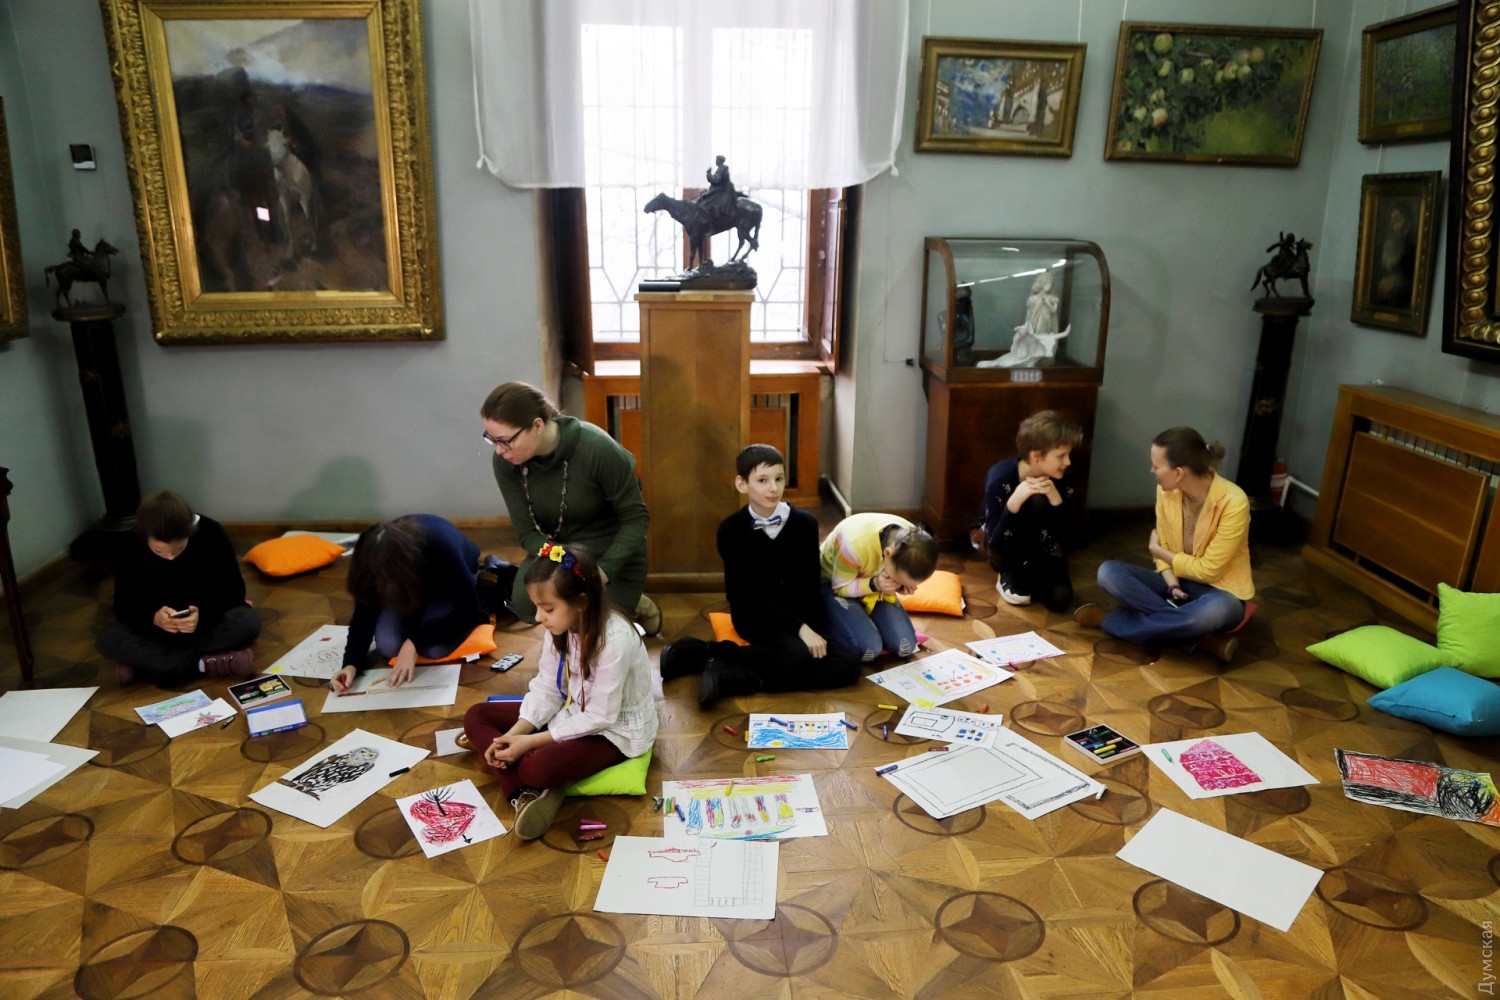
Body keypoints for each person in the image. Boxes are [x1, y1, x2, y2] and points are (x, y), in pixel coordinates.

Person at [462, 543, 657, 840]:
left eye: (548, 608)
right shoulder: (560, 626)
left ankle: (524, 783)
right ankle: (527, 793)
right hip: (572, 711)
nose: (539, 617)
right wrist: (513, 736)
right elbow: (548, 689)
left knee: (535, 766)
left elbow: (600, 717)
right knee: (477, 715)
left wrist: (528, 742)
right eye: (537, 607)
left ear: (581, 601)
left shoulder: (615, 641)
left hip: (613, 730)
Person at [660, 444, 862, 706]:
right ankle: (709, 655)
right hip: (754, 616)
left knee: (848, 665)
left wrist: (809, 629)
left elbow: (810, 587)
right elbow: (741, 597)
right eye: (762, 480)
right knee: (796, 655)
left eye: (779, 479)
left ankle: (723, 666)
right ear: (742, 484)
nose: (773, 488)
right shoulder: (731, 530)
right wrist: (798, 629)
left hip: (798, 613)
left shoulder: (806, 524)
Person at [480, 381, 658, 632]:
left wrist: (603, 571)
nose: (499, 451)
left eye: (504, 440)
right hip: (559, 549)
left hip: (610, 548)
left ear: (538, 426)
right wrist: (564, 562)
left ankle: (634, 604)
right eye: (492, 440)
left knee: (592, 625)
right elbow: (527, 534)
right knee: (527, 604)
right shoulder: (507, 463)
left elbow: (636, 519)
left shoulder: (598, 448)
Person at [1073, 427, 1253, 663]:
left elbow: (1209, 570)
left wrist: (1158, 551)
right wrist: (1172, 585)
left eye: (1156, 466)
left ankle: (1107, 620)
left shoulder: (1234, 501)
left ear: (1178, 473)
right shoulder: (1166, 491)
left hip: (1220, 593)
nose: (1152, 470)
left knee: (1219, 610)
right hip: (1178, 585)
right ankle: (1199, 638)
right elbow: (1166, 545)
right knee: (1109, 572)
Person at [97, 491, 260, 686]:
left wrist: (202, 616)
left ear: (190, 532)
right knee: (108, 639)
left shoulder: (211, 532)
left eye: (179, 549)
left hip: (204, 625)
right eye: (159, 551)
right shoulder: (128, 545)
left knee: (247, 622)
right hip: (156, 631)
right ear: (144, 536)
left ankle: (149, 664)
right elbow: (123, 607)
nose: (170, 558)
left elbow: (234, 592)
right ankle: (206, 664)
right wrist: (154, 619)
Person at [329, 515, 490, 693]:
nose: (378, 589)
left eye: (383, 584)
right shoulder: (369, 561)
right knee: (388, 644)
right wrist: (351, 664)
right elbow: (362, 617)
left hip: (445, 581)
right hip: (408, 586)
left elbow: (469, 611)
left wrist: (414, 642)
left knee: (435, 649)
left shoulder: (440, 547)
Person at [975, 411, 1083, 611]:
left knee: (1061, 599)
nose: (1068, 462)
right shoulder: (1000, 478)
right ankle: (1011, 571)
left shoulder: (1063, 481)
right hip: (1004, 547)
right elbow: (994, 543)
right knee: (1035, 499)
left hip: (1045, 550)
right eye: (1061, 456)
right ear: (1036, 456)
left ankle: (1033, 571)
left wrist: (1057, 503)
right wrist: (1013, 503)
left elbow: (1067, 538)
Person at [819, 513, 939, 662]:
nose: (898, 583)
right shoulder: (853, 545)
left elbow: (894, 574)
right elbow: (840, 588)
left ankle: (860, 616)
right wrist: (875, 584)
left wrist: (900, 586)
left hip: (873, 581)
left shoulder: (914, 540)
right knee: (869, 649)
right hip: (833, 582)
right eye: (897, 579)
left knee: (905, 647)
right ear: (887, 553)